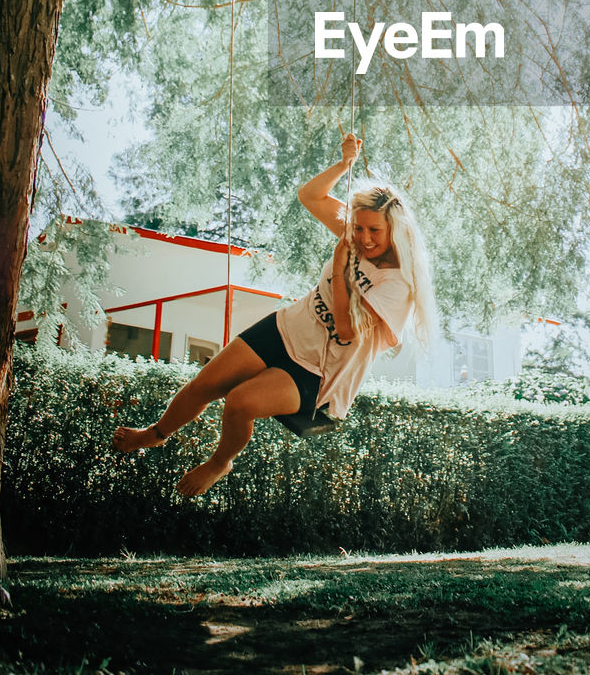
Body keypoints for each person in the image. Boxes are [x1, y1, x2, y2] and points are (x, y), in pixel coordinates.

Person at [112, 134, 434, 495]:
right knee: (203, 385)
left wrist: (342, 269)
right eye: (358, 228)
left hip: (318, 371)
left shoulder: (398, 284)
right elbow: (309, 196)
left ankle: (219, 463)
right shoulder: (354, 235)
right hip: (287, 327)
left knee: (239, 402)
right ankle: (155, 434)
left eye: (374, 230)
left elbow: (345, 330)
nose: (364, 237)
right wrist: (344, 165)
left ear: (396, 229)